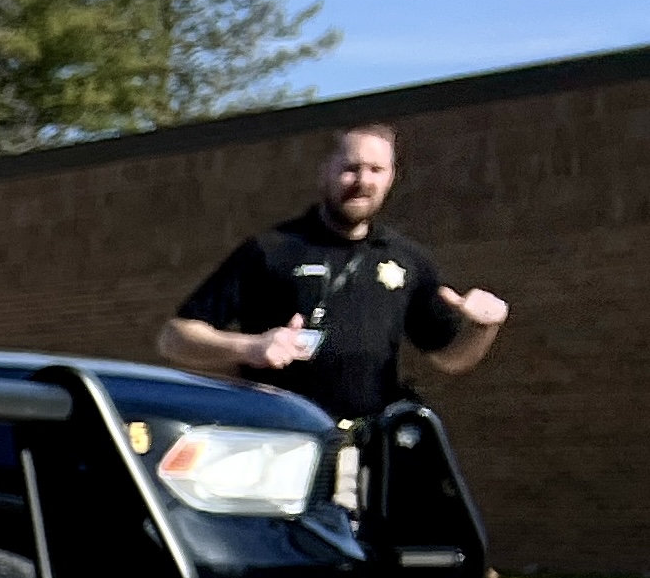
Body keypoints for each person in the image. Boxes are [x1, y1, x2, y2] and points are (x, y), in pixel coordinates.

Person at [158, 122, 507, 431]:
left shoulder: (407, 260)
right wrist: (251, 348)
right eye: (351, 168)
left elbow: (449, 357)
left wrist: (483, 327)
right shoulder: (272, 250)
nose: (363, 181)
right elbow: (175, 339)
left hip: (367, 449)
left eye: (376, 170)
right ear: (325, 171)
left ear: (391, 177)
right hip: (278, 439)